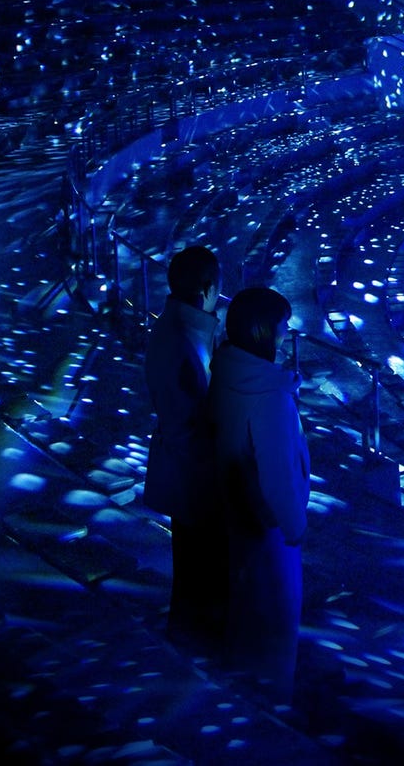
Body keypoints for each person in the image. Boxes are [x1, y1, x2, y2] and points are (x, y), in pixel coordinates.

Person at [209, 287, 310, 700]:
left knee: (245, 615)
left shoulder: (226, 372)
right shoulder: (270, 397)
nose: (287, 333)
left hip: (232, 515)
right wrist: (295, 526)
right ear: (263, 331)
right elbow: (277, 475)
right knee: (274, 623)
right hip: (267, 528)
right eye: (282, 324)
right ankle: (271, 710)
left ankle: (243, 692)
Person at [143, 245, 225, 653]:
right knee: (200, 570)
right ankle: (196, 651)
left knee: (192, 566)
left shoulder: (174, 328)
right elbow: (205, 410)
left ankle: (190, 640)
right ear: (208, 287)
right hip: (195, 473)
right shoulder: (188, 339)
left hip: (184, 469)